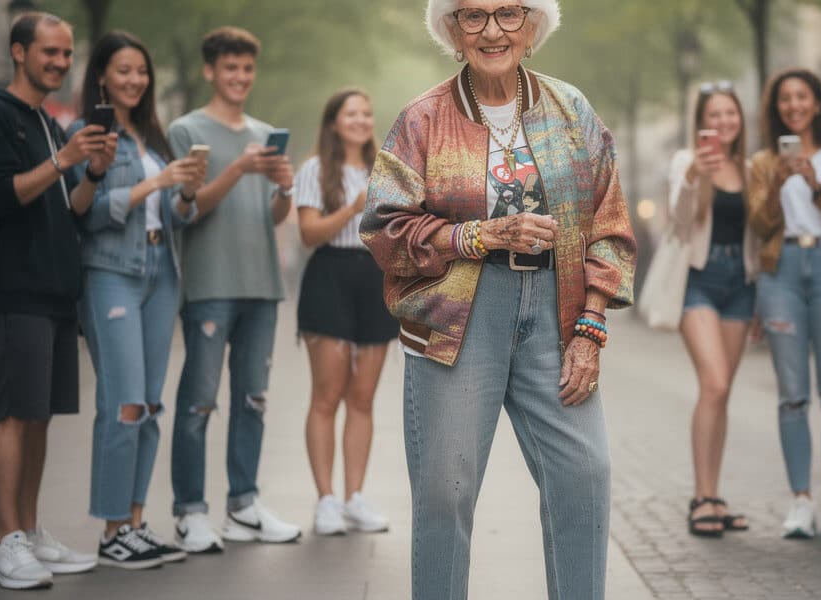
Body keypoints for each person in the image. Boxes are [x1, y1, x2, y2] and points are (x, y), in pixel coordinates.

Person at [362, 1, 636, 597]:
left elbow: (609, 228)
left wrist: (590, 329)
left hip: (558, 315)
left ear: (533, 26)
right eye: (473, 16)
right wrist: (476, 235)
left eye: (509, 13)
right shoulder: (422, 119)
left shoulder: (572, 110)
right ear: (451, 30)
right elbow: (383, 229)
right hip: (459, 318)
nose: (492, 30)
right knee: (445, 496)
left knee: (584, 476)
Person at [0, 11, 110, 589]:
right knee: (12, 414)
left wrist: (90, 173)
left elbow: (69, 206)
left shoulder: (46, 121)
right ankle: (5, 544)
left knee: (40, 415)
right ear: (18, 52)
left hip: (53, 290)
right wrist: (64, 161)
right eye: (50, 52)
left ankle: (30, 531)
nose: (61, 62)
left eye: (67, 54)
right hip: (12, 285)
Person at [69, 30, 206, 569]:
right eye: (123, 70)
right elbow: (86, 211)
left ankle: (134, 522)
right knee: (122, 404)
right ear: (101, 75)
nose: (135, 80)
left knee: (149, 406)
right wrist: (156, 185)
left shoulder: (151, 137)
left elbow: (178, 217)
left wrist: (186, 189)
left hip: (160, 274)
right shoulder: (86, 133)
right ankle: (110, 533)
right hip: (110, 274)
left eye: (141, 72)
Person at [167, 26, 301, 553]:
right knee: (199, 402)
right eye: (230, 68)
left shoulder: (265, 132)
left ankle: (243, 505)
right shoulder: (186, 130)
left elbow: (274, 216)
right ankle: (189, 511)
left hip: (260, 284)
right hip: (208, 283)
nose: (240, 77)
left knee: (253, 400)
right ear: (210, 71)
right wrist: (241, 167)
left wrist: (285, 186)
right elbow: (189, 208)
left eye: (247, 69)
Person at [748, 68, 821, 540]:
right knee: (792, 394)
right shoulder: (762, 162)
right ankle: (800, 500)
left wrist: (818, 185)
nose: (793, 106)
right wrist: (778, 183)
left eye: (802, 97)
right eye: (784, 99)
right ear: (776, 108)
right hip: (781, 274)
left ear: (818, 103)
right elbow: (759, 226)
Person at [293, 88, 397, 536]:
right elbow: (308, 233)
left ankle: (355, 496)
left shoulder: (387, 169)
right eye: (351, 113)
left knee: (363, 397)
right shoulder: (315, 169)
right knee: (326, 395)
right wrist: (352, 210)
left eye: (366, 113)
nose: (360, 120)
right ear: (334, 122)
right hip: (330, 275)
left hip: (375, 279)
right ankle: (326, 500)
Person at [668, 81, 758, 538]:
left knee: (723, 393)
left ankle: (714, 494)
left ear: (740, 119)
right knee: (714, 383)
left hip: (740, 287)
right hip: (699, 282)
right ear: (702, 123)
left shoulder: (749, 167)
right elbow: (680, 225)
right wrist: (695, 177)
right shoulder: (687, 162)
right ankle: (701, 497)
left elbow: (759, 235)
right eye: (714, 116)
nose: (723, 122)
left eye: (730, 114)